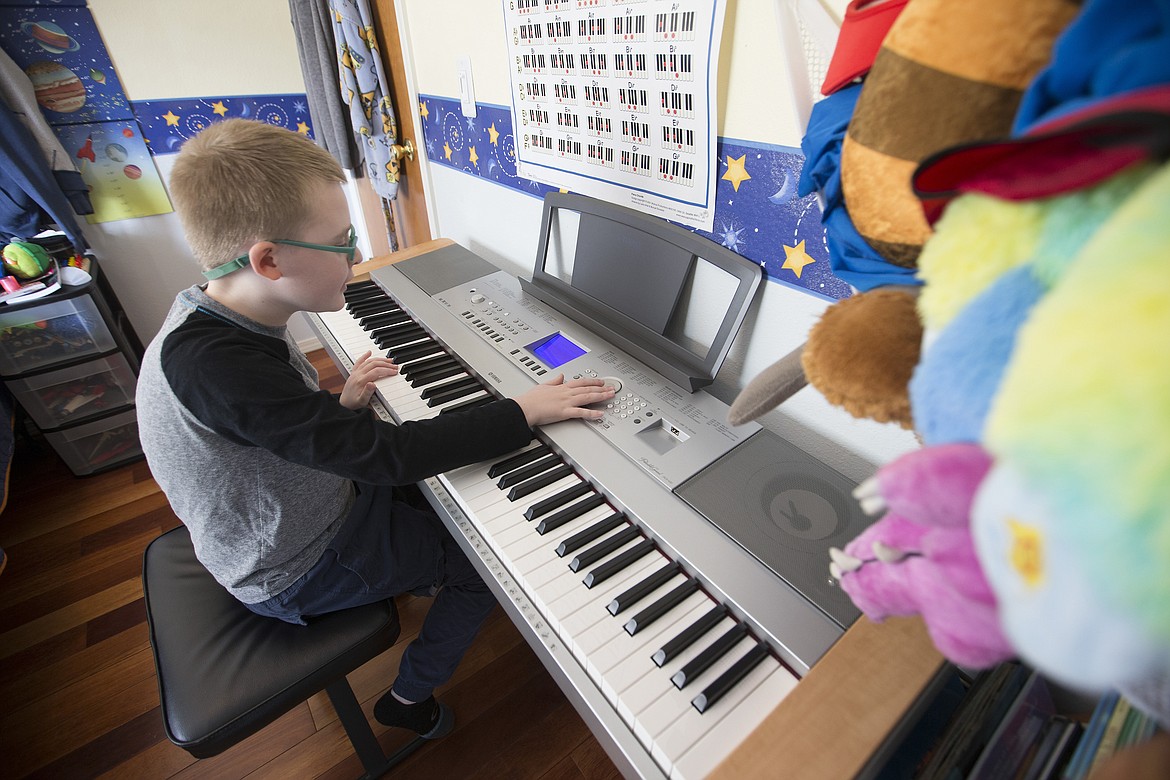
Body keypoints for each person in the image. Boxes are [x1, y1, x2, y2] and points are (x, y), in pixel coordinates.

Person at [136, 118, 614, 740]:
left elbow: (279, 433)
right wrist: (523, 411)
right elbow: (389, 458)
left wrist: (344, 407)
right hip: (290, 565)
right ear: (269, 260)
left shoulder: (221, 316)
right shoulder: (219, 367)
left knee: (451, 492)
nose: (357, 260)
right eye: (341, 244)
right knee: (483, 569)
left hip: (304, 504)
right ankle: (410, 698)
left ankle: (417, 567)